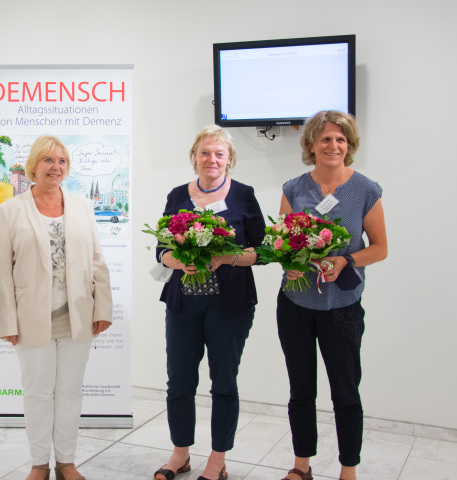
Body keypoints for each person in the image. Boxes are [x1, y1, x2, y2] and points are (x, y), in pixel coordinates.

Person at [276, 111, 388, 480]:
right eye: (325, 139)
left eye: (341, 139)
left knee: (345, 391)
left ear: (350, 145)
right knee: (301, 389)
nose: (333, 145)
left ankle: (348, 470)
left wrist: (347, 259)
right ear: (311, 145)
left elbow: (380, 248)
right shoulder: (294, 189)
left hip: (342, 306)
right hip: (295, 305)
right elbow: (282, 244)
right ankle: (301, 466)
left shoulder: (366, 189)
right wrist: (288, 264)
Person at [0, 135, 113, 480]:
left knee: (70, 392)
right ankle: (38, 464)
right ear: (33, 166)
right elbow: (2, 271)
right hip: (32, 317)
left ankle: (66, 462)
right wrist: (7, 321)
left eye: (61, 161)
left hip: (77, 314)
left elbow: (97, 261)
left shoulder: (82, 206)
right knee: (37, 393)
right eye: (48, 160)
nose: (55, 167)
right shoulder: (11, 210)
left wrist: (102, 307)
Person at [154, 125, 265, 480]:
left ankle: (218, 460)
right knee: (180, 381)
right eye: (205, 153)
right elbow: (161, 250)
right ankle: (180, 454)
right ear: (194, 157)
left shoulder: (244, 195)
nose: (211, 159)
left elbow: (262, 251)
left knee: (223, 382)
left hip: (229, 306)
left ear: (229, 160)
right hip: (183, 304)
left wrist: (226, 258)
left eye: (219, 153)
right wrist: (179, 260)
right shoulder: (176, 196)